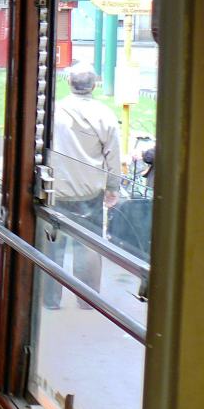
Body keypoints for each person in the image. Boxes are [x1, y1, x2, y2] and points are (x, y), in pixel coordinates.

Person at [42, 63, 122, 310]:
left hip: (57, 190)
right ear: (94, 85)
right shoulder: (105, 115)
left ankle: (50, 299)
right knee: (87, 245)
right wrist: (113, 187)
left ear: (69, 83)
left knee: (52, 244)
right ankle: (87, 300)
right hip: (90, 191)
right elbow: (113, 154)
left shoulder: (54, 110)